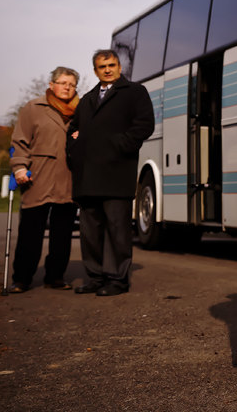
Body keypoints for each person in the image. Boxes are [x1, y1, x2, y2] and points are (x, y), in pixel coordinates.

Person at [66, 49, 155, 298]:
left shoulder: (135, 92)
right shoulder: (87, 99)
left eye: (112, 65)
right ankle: (95, 277)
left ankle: (117, 279)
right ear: (95, 71)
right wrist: (75, 148)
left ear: (119, 66)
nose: (107, 69)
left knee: (117, 230)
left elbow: (144, 125)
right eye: (102, 66)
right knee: (90, 232)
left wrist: (118, 145)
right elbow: (73, 130)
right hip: (88, 177)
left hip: (117, 173)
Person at [7, 66, 81, 293]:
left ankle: (55, 277)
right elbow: (20, 142)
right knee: (31, 232)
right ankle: (21, 278)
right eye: (63, 83)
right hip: (37, 178)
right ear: (52, 85)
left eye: (71, 84)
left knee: (62, 234)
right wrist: (20, 167)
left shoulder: (81, 112)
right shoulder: (33, 108)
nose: (67, 88)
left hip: (67, 179)